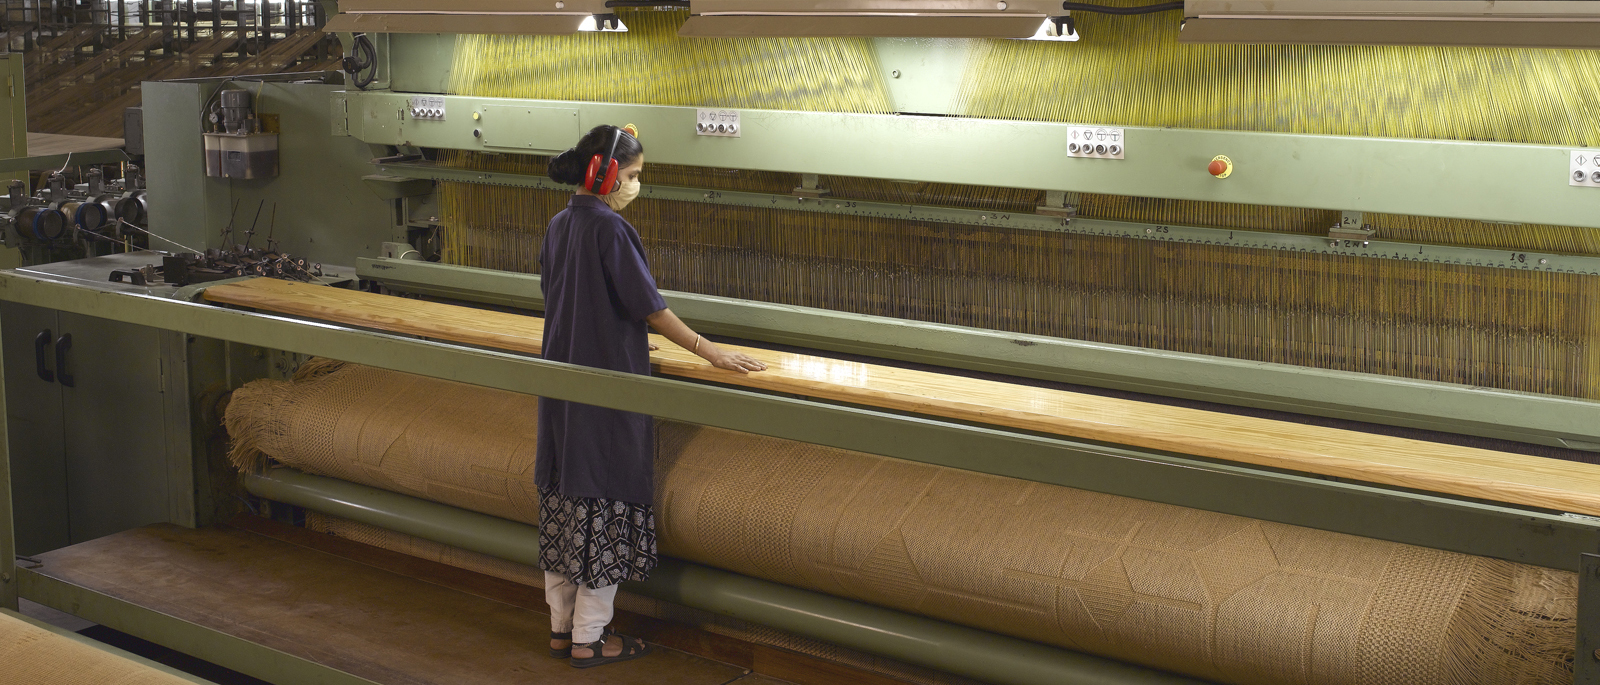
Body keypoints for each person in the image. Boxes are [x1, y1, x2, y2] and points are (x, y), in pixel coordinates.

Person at [536, 124, 767, 669]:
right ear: (606, 174)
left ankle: (561, 628)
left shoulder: (558, 225)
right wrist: (709, 351)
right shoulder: (610, 230)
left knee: (567, 498)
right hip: (607, 389)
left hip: (560, 387)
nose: (638, 186)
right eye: (635, 176)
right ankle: (591, 640)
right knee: (603, 501)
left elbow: (558, 295)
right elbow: (650, 309)